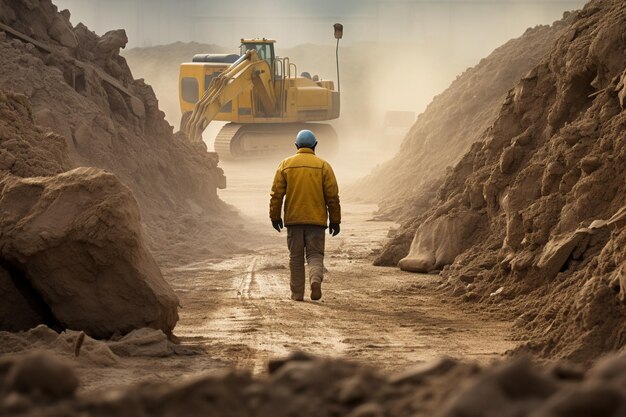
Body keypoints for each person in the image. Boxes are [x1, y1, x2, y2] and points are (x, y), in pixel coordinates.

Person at [269, 130, 341, 301]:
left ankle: (297, 294)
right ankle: (315, 280)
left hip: (294, 220)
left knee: (295, 258)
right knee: (315, 255)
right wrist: (335, 220)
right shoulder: (324, 166)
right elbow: (332, 196)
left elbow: (276, 194)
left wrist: (275, 216)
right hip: (317, 221)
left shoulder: (285, 164)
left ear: (296, 146)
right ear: (315, 145)